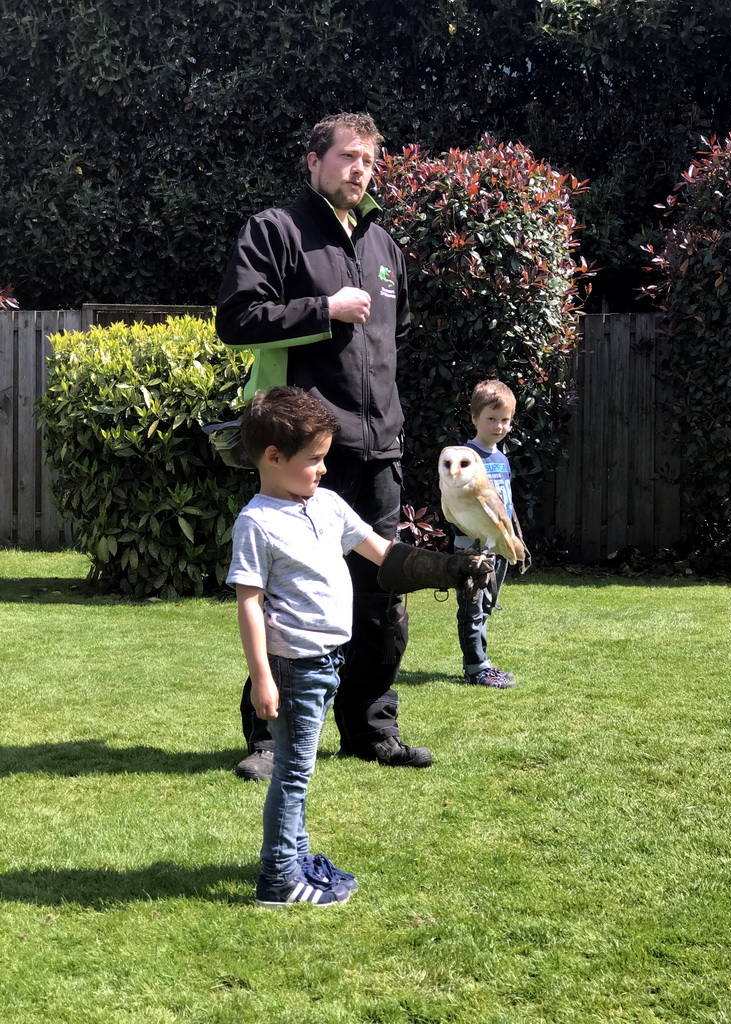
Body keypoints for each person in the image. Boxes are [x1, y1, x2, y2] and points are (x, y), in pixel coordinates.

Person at [216, 111, 426, 781]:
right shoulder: (274, 231)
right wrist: (323, 310)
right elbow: (236, 321)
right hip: (307, 457)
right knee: (286, 601)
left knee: (379, 599)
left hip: (381, 452)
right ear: (314, 162)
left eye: (368, 158)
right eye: (346, 156)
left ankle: (371, 731)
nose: (359, 168)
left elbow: (391, 342)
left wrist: (389, 424)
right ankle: (270, 740)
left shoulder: (386, 247)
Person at [227, 386, 492, 906]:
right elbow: (249, 604)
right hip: (293, 665)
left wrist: (449, 567)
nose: (323, 469)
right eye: (314, 460)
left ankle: (296, 857)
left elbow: (383, 553)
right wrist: (261, 676)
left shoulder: (324, 504)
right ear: (274, 458)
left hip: (329, 661)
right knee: (293, 770)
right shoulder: (256, 523)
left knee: (298, 765)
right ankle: (278, 879)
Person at [453, 380, 520, 689]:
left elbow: (505, 506)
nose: (499, 426)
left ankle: (484, 663)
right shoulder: (465, 458)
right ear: (474, 418)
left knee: (486, 606)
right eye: (491, 418)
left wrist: (512, 536)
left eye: (504, 419)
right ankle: (476, 667)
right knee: (472, 607)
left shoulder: (502, 459)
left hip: (498, 546)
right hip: (473, 549)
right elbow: (456, 504)